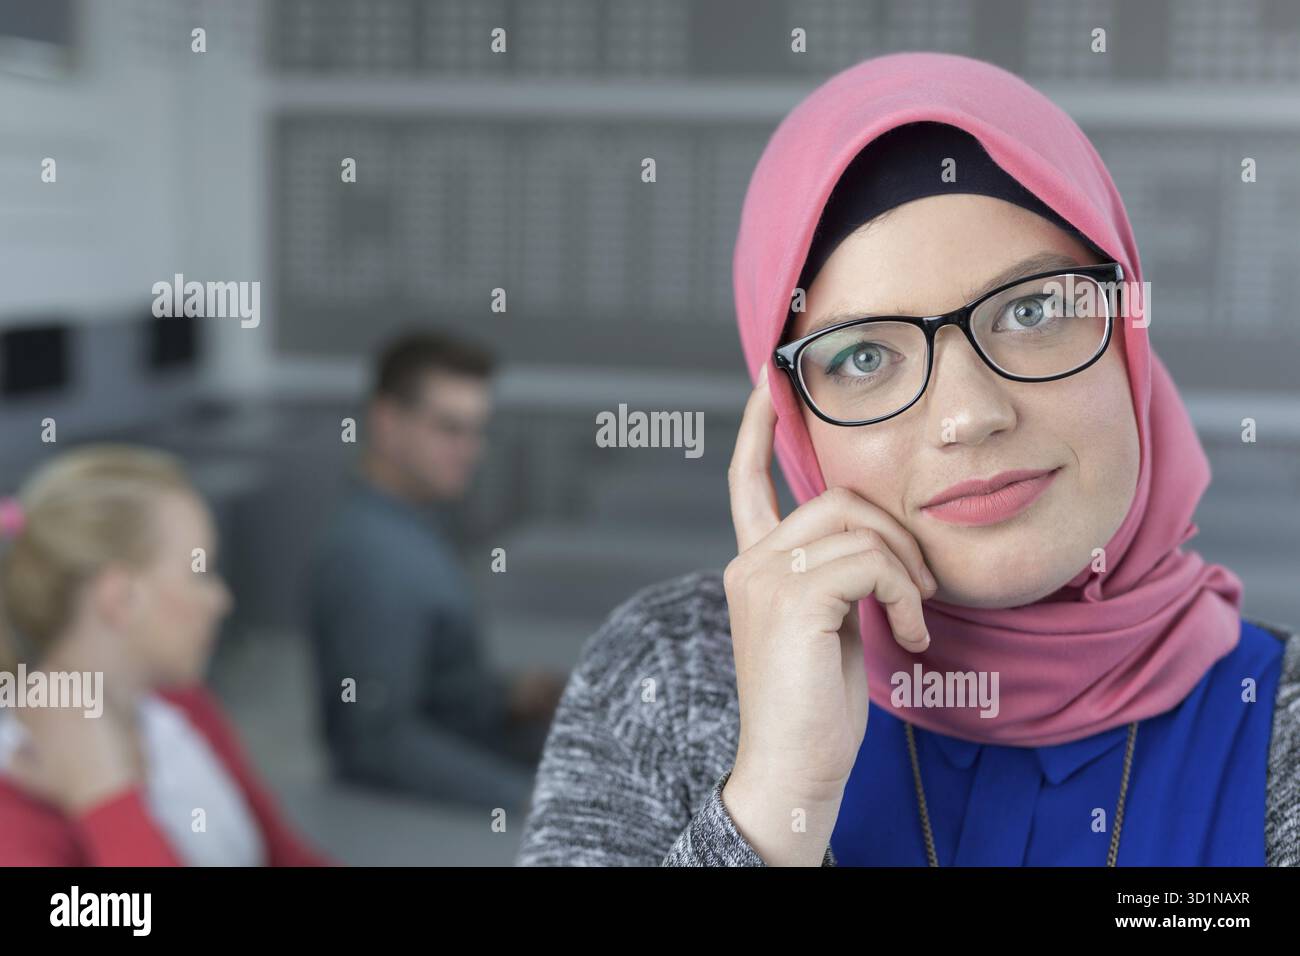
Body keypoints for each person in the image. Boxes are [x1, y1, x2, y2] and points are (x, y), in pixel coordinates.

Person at [516, 52, 1300, 866]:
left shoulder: (1278, 721)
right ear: (790, 421)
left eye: (1031, 310)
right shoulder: (666, 683)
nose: (970, 414)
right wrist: (774, 804)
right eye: (862, 357)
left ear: (1128, 334)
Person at [0, 445, 329, 866]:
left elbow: (282, 856)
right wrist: (106, 798)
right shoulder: (15, 802)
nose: (221, 600)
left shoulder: (183, 705)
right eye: (201, 573)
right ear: (121, 598)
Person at [307, 330, 564, 813]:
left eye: (477, 430)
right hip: (427, 810)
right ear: (387, 422)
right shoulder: (372, 556)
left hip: (479, 750)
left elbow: (431, 690)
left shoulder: (410, 521)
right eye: (449, 429)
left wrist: (508, 695)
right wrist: (528, 801)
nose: (473, 450)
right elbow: (377, 743)